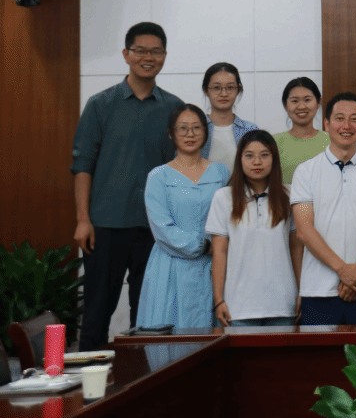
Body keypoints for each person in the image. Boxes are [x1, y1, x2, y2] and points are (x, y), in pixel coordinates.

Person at [71, 21, 184, 350]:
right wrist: (83, 219)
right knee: (96, 312)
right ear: (126, 54)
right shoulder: (100, 104)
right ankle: (89, 381)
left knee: (148, 317)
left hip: (154, 229)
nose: (148, 57)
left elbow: (180, 168)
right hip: (105, 225)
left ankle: (142, 378)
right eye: (140, 51)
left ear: (164, 55)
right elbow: (82, 165)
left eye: (156, 51)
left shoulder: (174, 108)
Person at [291, 93, 356, 325]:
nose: (346, 126)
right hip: (317, 290)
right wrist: (342, 270)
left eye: (354, 119)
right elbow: (304, 230)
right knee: (319, 351)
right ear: (326, 124)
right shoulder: (306, 171)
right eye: (339, 118)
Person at [137, 103, 230, 328]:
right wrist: (203, 246)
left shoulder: (221, 172)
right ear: (171, 133)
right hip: (171, 266)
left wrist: (217, 249)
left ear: (206, 132)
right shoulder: (158, 177)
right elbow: (162, 229)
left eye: (197, 128)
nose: (190, 134)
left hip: (213, 266)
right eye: (183, 128)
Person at [207, 130, 303, 327]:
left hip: (283, 304)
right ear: (240, 160)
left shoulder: (289, 194)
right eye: (249, 156)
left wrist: (303, 292)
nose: (257, 162)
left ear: (274, 159)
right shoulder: (223, 197)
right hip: (238, 307)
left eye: (264, 155)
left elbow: (296, 247)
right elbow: (219, 252)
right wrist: (218, 300)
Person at [200, 62, 259, 173]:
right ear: (206, 90)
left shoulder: (250, 130)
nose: (224, 94)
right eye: (216, 88)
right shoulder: (196, 129)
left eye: (230, 87)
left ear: (238, 90)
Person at [273, 77, 330, 184]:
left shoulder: (332, 141)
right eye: (294, 101)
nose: (301, 106)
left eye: (307, 100)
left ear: (318, 102)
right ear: (285, 105)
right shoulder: (273, 142)